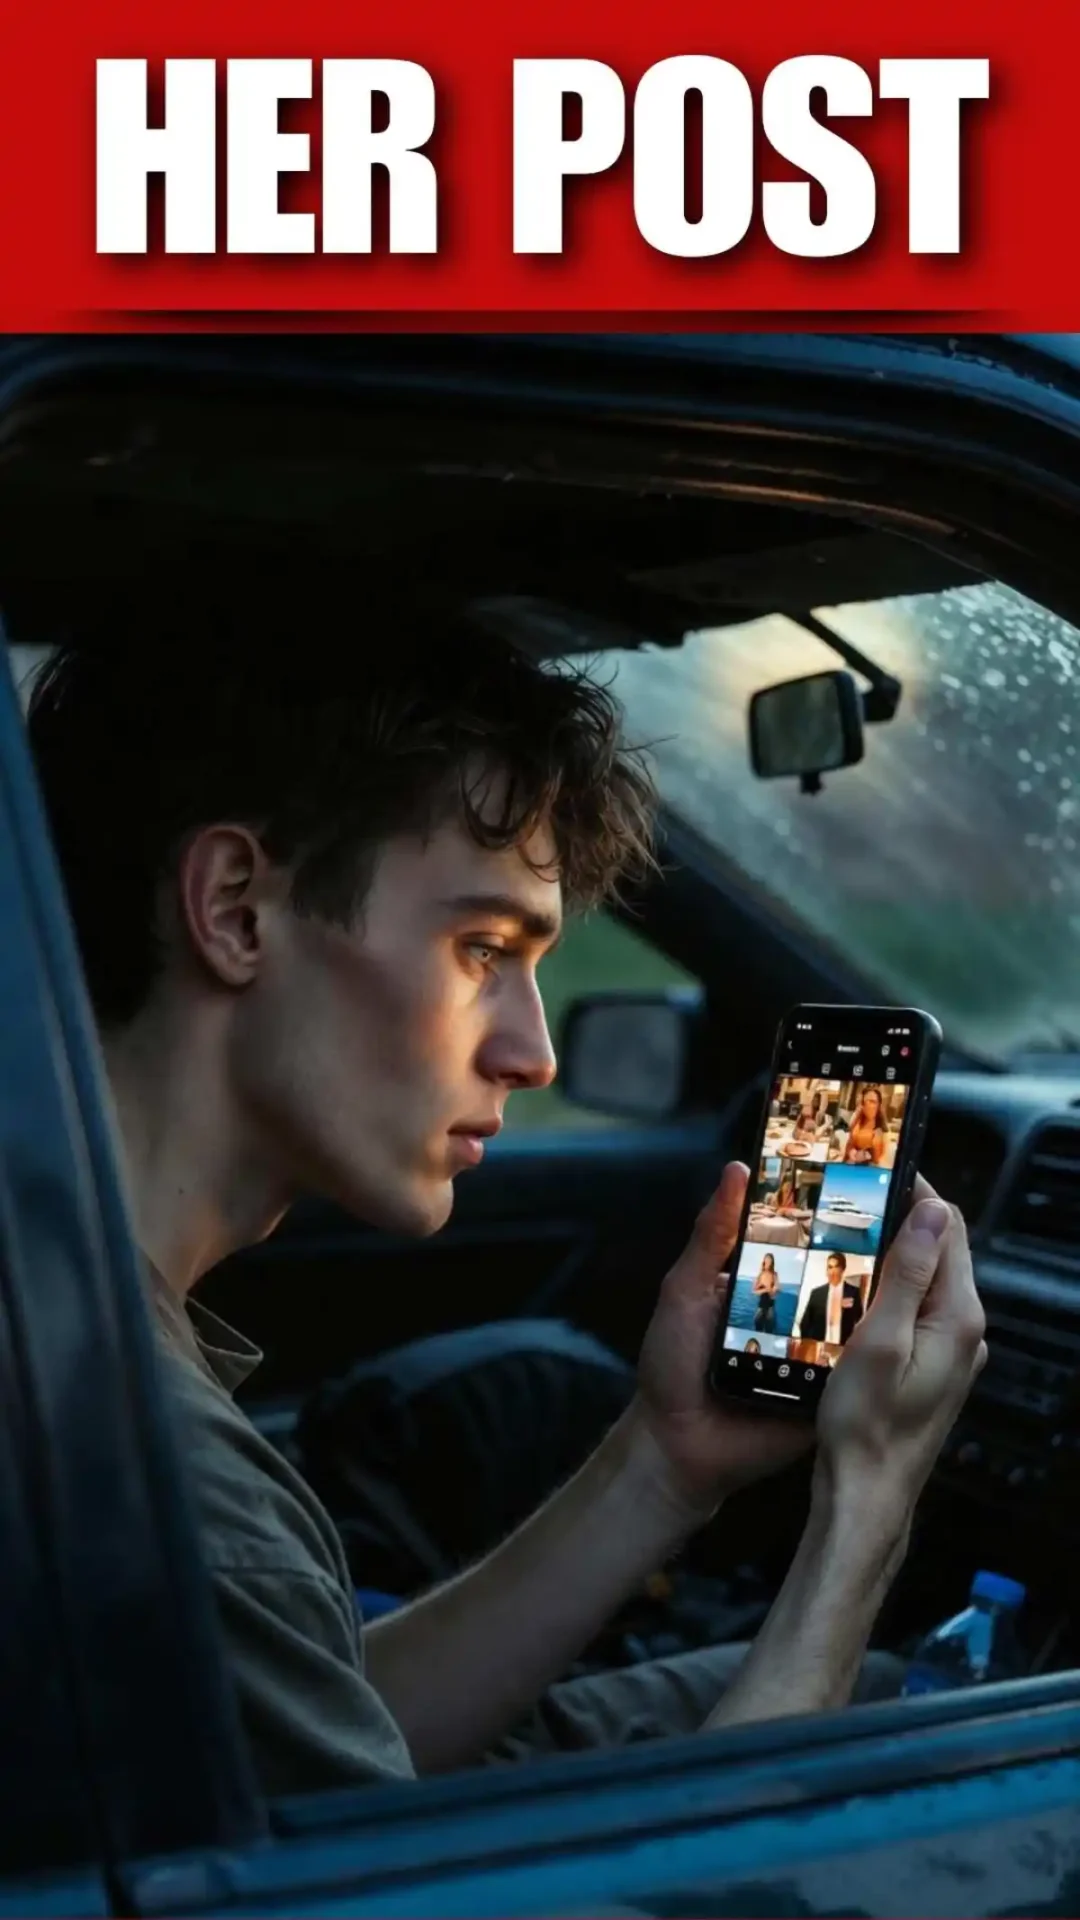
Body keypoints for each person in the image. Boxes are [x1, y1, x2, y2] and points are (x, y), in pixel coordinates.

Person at [26, 626, 986, 1795]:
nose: (533, 1053)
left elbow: (306, 1749)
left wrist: (665, 1466)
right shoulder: (162, 1482)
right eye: (483, 947)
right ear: (234, 909)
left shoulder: (73, 1320)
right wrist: (865, 1511)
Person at [796, 1253, 865, 1349]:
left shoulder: (853, 1292)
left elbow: (860, 1320)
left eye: (836, 1267)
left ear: (842, 1269)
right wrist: (811, 1345)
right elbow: (805, 1323)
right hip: (820, 1347)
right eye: (829, 1267)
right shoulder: (817, 1293)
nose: (832, 1271)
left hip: (843, 1348)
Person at [843, 1086, 888, 1165]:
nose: (868, 1105)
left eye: (872, 1101)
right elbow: (850, 1142)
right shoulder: (858, 1121)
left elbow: (877, 1157)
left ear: (879, 1105)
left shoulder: (881, 1129)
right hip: (851, 1163)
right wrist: (851, 1151)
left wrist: (865, 1155)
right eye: (865, 1101)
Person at [752, 1253, 780, 1333]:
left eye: (769, 1260)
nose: (767, 1261)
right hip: (761, 1306)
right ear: (764, 1261)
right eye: (766, 1259)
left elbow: (774, 1293)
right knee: (757, 1328)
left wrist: (773, 1290)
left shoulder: (775, 1274)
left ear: (772, 1262)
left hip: (770, 1307)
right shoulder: (760, 1274)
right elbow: (754, 1291)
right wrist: (765, 1289)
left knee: (769, 1330)